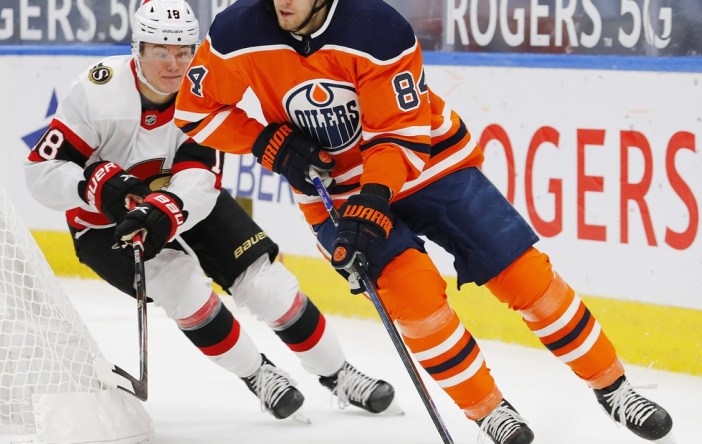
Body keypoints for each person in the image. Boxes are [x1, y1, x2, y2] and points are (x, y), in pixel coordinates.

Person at [173, 0, 676, 443]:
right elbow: (194, 111)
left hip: (432, 163)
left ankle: (615, 389)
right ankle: (490, 412)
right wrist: (265, 142)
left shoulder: (377, 28)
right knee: (413, 297)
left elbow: (402, 134)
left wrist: (373, 201)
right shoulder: (234, 33)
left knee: (526, 275)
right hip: (334, 189)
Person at [23, 0, 395, 423]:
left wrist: (167, 209)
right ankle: (259, 375)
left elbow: (200, 177)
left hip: (184, 205)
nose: (174, 64)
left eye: (183, 51)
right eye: (161, 51)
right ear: (137, 49)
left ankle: (339, 373)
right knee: (182, 289)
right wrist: (96, 186)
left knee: (266, 283)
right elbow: (40, 171)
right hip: (105, 225)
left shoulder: (203, 89)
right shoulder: (97, 92)